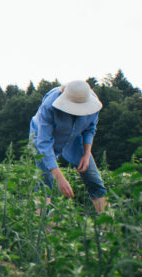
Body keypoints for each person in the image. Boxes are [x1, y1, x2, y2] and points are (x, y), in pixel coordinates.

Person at [30, 80, 107, 213]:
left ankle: (108, 226)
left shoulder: (93, 103)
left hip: (74, 138)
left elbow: (90, 129)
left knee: (93, 178)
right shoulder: (49, 105)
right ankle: (42, 228)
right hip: (43, 138)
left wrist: (86, 154)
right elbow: (44, 142)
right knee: (45, 180)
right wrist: (59, 177)